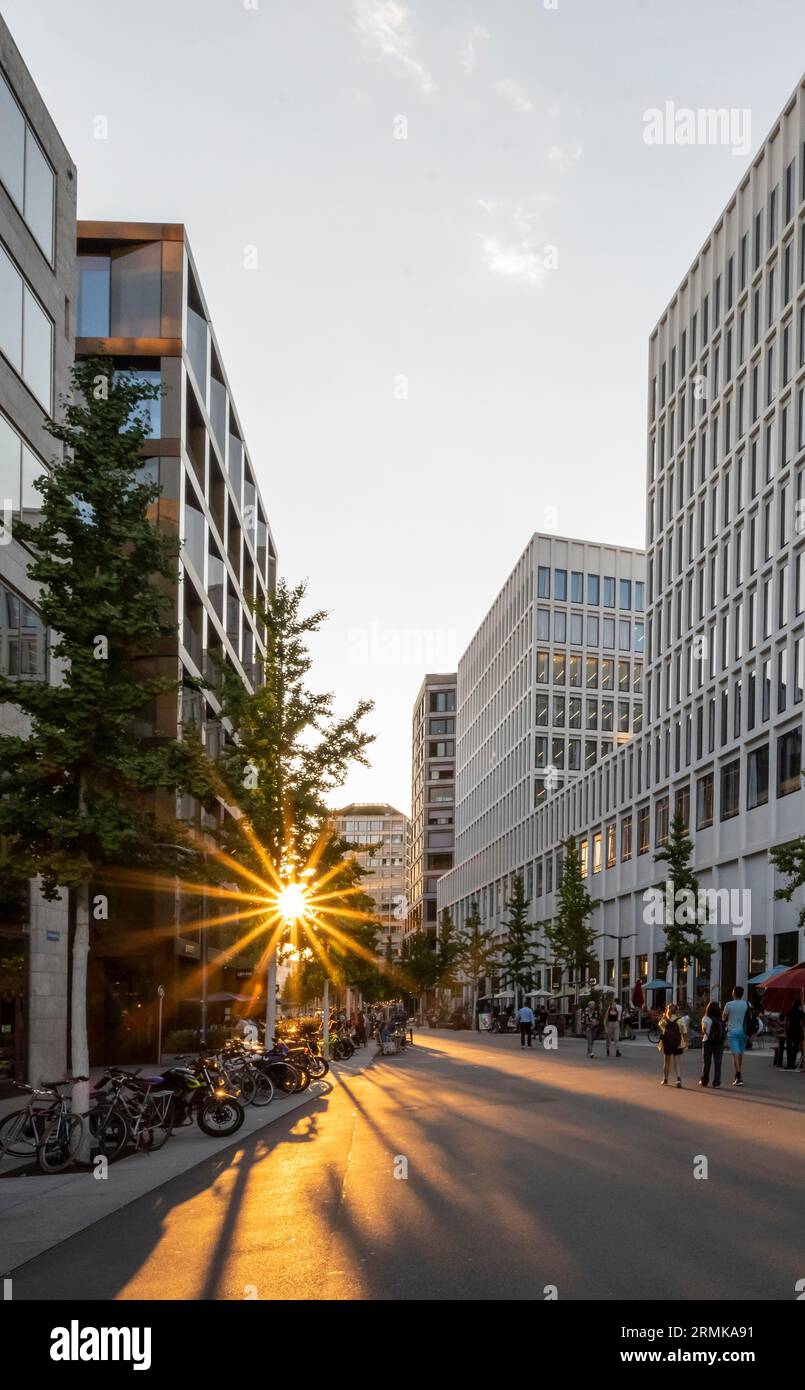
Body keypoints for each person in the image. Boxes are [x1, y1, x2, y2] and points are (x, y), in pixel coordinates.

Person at [722, 985, 749, 1086]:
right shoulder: (746, 1004)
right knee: (740, 1052)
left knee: (735, 1053)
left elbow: (723, 1018)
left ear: (734, 993)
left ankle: (738, 1076)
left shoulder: (729, 1004)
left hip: (732, 1031)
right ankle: (738, 1073)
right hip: (742, 1031)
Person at [658, 1003, 687, 1087]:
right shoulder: (680, 1020)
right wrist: (685, 1042)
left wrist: (664, 1016)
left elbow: (660, 1025)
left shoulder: (665, 1021)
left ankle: (665, 1079)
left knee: (666, 1062)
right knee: (677, 1062)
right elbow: (684, 1032)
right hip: (677, 1043)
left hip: (667, 1043)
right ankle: (678, 1079)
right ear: (676, 1010)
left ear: (668, 1010)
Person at [700, 1000, 725, 1088]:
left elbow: (703, 1030)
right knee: (718, 1063)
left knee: (707, 1062)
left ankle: (705, 1081)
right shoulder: (721, 1019)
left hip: (707, 1041)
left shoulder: (705, 1018)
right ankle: (716, 1082)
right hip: (719, 1043)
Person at [784, 1000, 805, 1070]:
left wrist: (785, 1031)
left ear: (793, 1004)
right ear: (799, 1005)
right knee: (795, 1048)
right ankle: (792, 1063)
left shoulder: (789, 1012)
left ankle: (789, 1063)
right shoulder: (801, 1013)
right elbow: (803, 1024)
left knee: (789, 1047)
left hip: (790, 1031)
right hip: (798, 1031)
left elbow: (786, 1023)